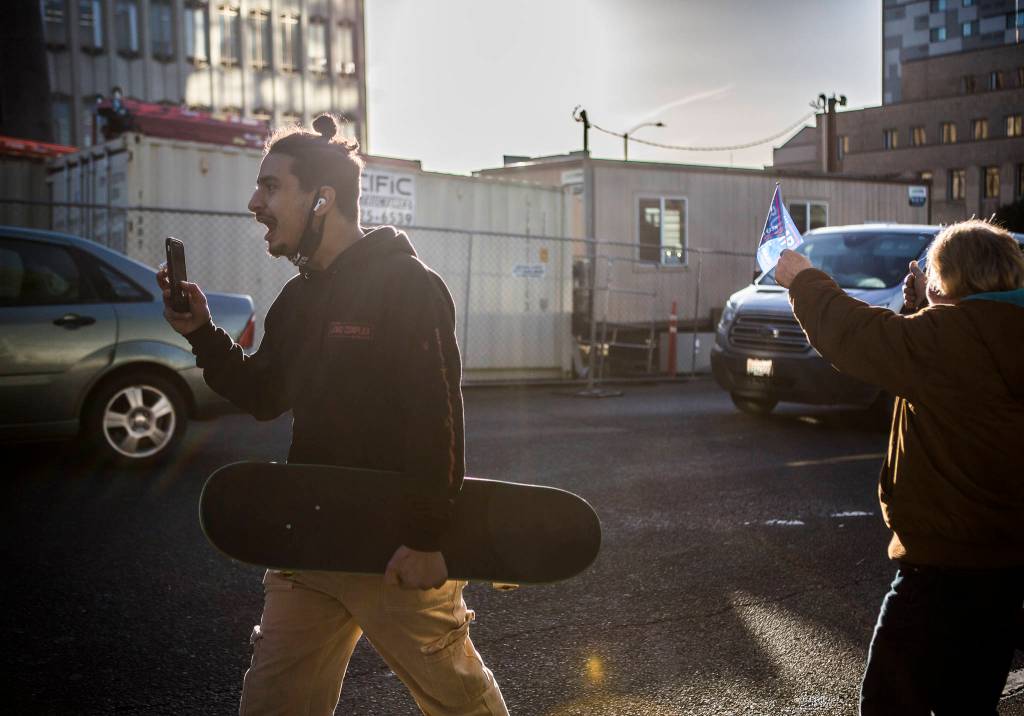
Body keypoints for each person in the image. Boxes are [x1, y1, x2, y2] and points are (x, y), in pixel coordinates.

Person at [158, 114, 508, 716]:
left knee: (461, 705)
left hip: (393, 551)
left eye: (270, 187)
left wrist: (426, 537)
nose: (254, 202)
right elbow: (266, 395)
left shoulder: (407, 285)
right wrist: (203, 335)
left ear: (321, 199)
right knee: (274, 705)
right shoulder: (299, 299)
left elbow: (437, 415)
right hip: (309, 542)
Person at [774, 219, 1024, 716]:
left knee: (888, 702)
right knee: (968, 703)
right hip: (1006, 569)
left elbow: (857, 336)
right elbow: (958, 371)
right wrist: (925, 312)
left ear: (950, 280)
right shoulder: (988, 333)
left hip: (940, 571)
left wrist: (804, 279)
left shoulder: (947, 339)